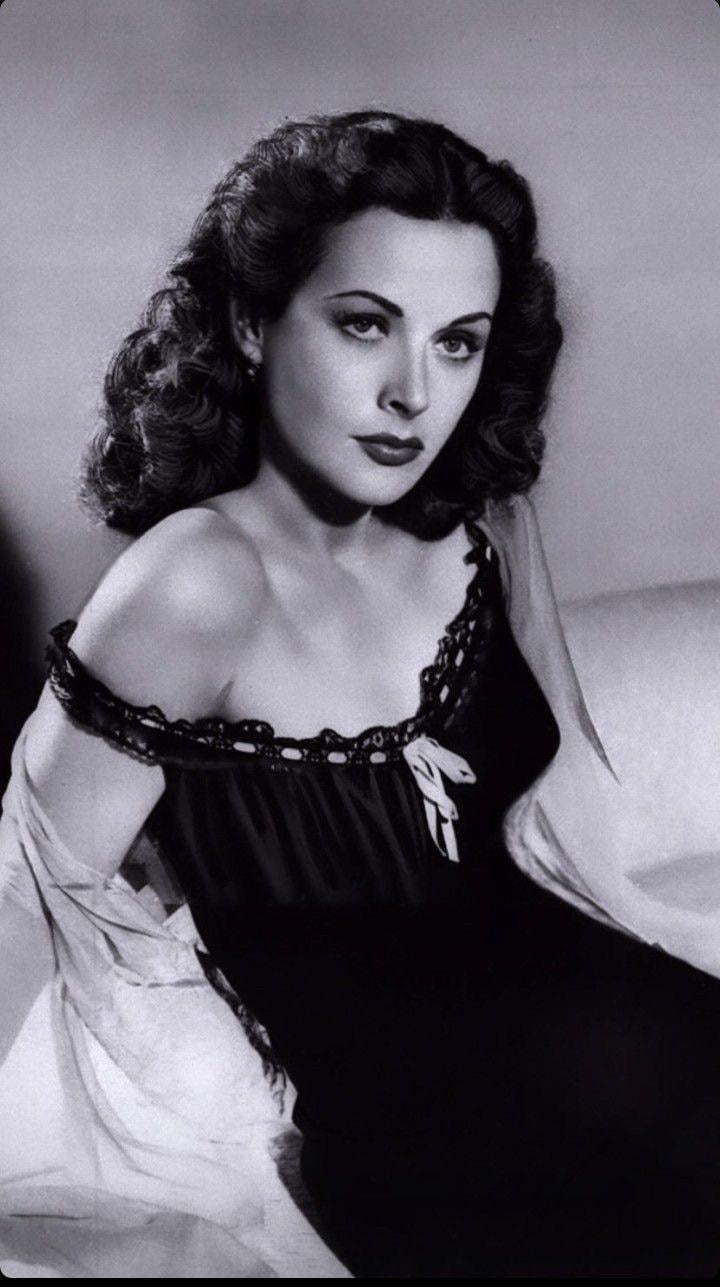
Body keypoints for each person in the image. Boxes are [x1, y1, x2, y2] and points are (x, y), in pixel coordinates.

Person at [1, 108, 719, 1278]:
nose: (412, 394)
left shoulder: (478, 522)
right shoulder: (192, 585)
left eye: (458, 342)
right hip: (454, 1179)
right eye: (364, 325)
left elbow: (556, 843)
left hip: (661, 1063)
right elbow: (22, 910)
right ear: (250, 322)